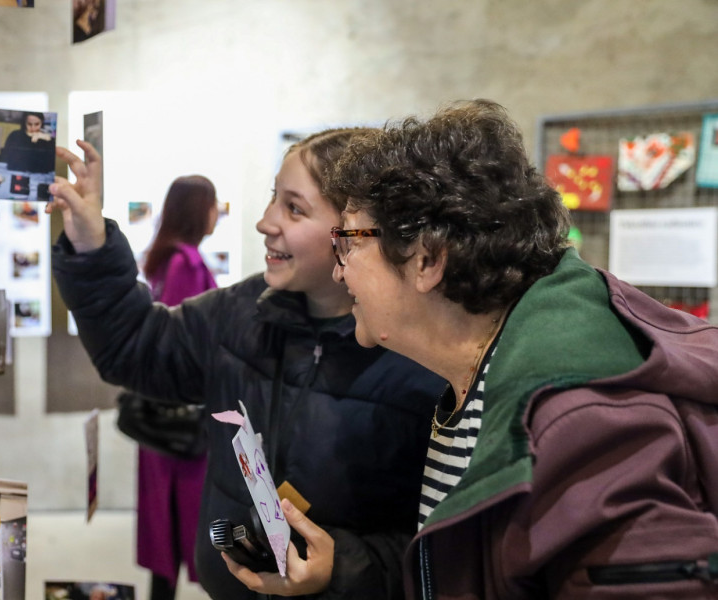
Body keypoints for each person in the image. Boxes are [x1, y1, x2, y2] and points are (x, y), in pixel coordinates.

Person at [321, 99, 718, 598]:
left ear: (427, 258)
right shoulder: (483, 368)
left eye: (349, 242)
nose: (338, 270)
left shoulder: (581, 415)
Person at [48, 131, 445, 599]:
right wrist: (93, 249)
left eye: (294, 209)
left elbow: (445, 546)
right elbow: (135, 347)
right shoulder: (242, 312)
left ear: (358, 228)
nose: (264, 222)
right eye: (274, 199)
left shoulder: (423, 357)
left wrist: (340, 570)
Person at [135, 175, 219, 600]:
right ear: (197, 210)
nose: (217, 212)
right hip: (180, 422)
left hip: (164, 419)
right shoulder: (185, 262)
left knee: (165, 528)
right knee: (181, 521)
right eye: (212, 204)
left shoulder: (168, 259)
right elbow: (183, 342)